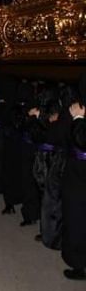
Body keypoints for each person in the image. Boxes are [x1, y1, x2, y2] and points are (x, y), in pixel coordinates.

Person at [62, 100, 86, 280]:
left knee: (77, 217)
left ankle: (79, 265)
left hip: (80, 177)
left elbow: (81, 140)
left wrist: (78, 117)